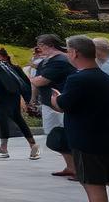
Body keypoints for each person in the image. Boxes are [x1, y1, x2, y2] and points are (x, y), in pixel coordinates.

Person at [52, 35, 109, 202]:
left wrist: (55, 99)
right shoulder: (107, 79)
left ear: (75, 53)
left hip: (87, 144)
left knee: (94, 188)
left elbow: (63, 105)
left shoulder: (78, 79)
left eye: (68, 51)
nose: (67, 54)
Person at [31, 33, 77, 178]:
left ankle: (79, 168)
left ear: (49, 45)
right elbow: (37, 81)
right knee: (55, 135)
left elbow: (40, 81)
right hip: (49, 103)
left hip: (61, 103)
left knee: (67, 135)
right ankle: (71, 166)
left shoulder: (60, 60)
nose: (39, 49)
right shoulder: (47, 61)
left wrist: (30, 78)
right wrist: (33, 98)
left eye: (41, 46)